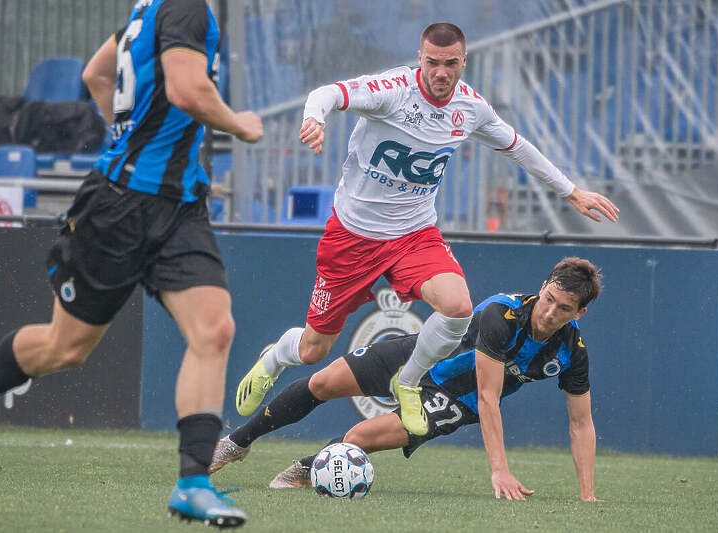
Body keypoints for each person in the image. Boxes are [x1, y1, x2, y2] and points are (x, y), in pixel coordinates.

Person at [235, 23, 619, 437]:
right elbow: (326, 93)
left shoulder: (471, 108)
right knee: (313, 351)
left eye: (451, 63)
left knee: (457, 307)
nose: (441, 72)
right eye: (432, 62)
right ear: (420, 58)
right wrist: (315, 118)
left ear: (463, 62)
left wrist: (571, 191)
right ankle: (274, 358)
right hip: (352, 237)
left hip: (414, 234)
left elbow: (517, 146)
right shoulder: (392, 90)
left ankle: (408, 380)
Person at [0, 0, 262, 527]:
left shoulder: (152, 10)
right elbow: (188, 91)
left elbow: (96, 73)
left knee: (214, 330)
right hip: (118, 208)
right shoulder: (186, 8)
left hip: (179, 209)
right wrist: (240, 125)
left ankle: (193, 482)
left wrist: (135, 143)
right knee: (66, 348)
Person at [219, 257, 602, 501]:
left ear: (579, 312)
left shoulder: (571, 352)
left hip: (455, 399)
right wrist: (499, 469)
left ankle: (308, 468)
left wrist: (587, 495)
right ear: (543, 288)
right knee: (323, 382)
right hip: (421, 356)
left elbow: (581, 423)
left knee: (357, 439)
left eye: (564, 307)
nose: (550, 312)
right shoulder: (502, 314)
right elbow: (492, 396)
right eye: (549, 298)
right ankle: (235, 443)